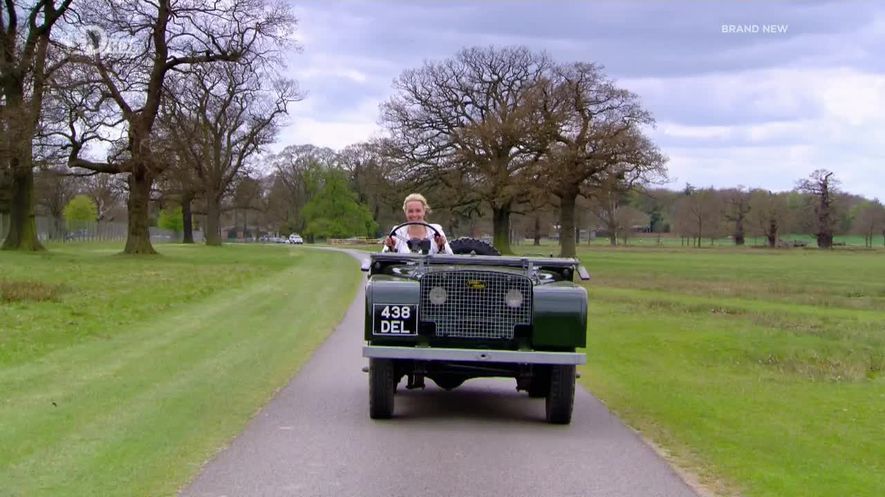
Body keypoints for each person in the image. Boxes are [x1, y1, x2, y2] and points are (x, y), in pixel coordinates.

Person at [383, 193, 454, 254]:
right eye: (410, 211)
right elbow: (383, 258)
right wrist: (391, 248)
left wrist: (441, 247)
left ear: (424, 211)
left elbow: (450, 257)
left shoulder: (436, 230)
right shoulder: (398, 232)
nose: (414, 215)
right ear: (405, 212)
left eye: (418, 211)